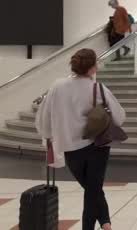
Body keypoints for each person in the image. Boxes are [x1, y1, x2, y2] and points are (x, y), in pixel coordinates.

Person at [35, 49, 126, 230]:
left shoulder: (57, 86)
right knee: (94, 190)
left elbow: (44, 118)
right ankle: (105, 222)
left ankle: (105, 224)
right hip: (98, 145)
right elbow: (119, 116)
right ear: (93, 67)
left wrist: (48, 137)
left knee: (91, 190)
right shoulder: (98, 88)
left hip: (70, 148)